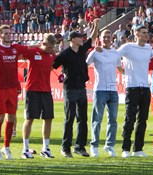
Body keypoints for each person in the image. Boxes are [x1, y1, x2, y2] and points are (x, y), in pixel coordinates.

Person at [53, 19, 100, 158]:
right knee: (70, 118)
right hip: (70, 88)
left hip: (81, 88)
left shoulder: (82, 49)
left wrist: (96, 25)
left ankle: (80, 147)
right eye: (79, 37)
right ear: (73, 39)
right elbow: (52, 65)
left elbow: (92, 38)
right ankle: (65, 147)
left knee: (82, 118)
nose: (82, 38)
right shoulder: (65, 54)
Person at [0, 25, 30, 160]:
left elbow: (32, 49)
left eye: (9, 33)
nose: (8, 35)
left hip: (12, 88)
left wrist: (46, 44)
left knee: (11, 118)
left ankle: (7, 147)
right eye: (5, 33)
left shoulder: (15, 48)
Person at [118, 26, 153, 158]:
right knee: (130, 118)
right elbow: (116, 55)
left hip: (145, 87)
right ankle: (125, 148)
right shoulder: (128, 47)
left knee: (143, 120)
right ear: (136, 34)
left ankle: (138, 149)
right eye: (144, 33)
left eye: (147, 33)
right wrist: (121, 69)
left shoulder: (148, 48)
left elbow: (152, 59)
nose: (147, 35)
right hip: (132, 87)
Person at [20, 34, 58, 159]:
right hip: (32, 89)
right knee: (29, 118)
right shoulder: (33, 52)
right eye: (48, 47)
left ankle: (45, 148)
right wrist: (35, 46)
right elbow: (20, 53)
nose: (50, 49)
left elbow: (53, 66)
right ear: (44, 43)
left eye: (52, 47)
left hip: (46, 90)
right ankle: (25, 149)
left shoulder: (53, 55)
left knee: (48, 118)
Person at [87, 30, 124, 158]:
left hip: (113, 90)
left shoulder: (116, 53)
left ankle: (109, 145)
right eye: (104, 37)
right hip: (100, 89)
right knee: (97, 119)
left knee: (112, 120)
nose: (107, 39)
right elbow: (84, 64)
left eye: (109, 37)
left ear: (112, 38)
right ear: (100, 39)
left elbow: (120, 69)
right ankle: (94, 145)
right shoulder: (96, 52)